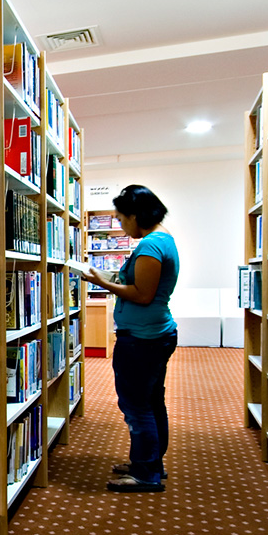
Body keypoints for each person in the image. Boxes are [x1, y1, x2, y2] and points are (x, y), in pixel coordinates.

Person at [84, 184, 179, 492]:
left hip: (142, 338)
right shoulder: (163, 240)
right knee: (151, 402)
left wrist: (101, 283)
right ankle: (149, 462)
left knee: (137, 405)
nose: (121, 225)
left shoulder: (151, 245)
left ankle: (145, 473)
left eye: (122, 218)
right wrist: (106, 278)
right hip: (152, 334)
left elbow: (142, 294)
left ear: (135, 216)